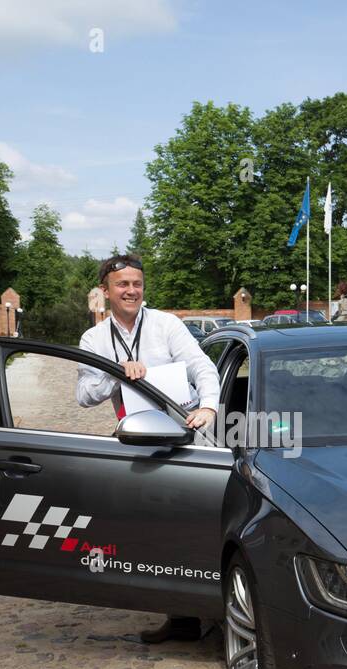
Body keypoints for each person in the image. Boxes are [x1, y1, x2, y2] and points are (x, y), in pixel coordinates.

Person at [76, 254, 220, 643]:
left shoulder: (166, 325)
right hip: (137, 439)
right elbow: (83, 395)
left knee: (191, 524)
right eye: (122, 284)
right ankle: (180, 616)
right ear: (105, 291)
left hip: (185, 434)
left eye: (137, 283)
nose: (131, 290)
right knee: (151, 527)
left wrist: (208, 405)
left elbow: (201, 366)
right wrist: (115, 371)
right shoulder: (94, 339)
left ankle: (203, 608)